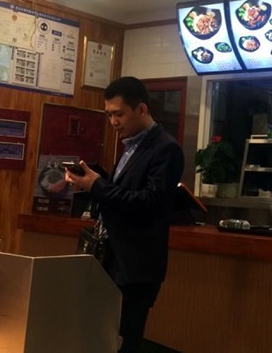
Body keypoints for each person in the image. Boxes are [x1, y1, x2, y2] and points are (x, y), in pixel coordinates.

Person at [65, 76, 184, 353]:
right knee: (99, 337)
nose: (113, 122)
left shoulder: (166, 148)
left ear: (141, 109)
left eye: (118, 114)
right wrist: (92, 182)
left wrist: (97, 186)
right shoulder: (131, 144)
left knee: (124, 341)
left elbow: (149, 202)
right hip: (109, 257)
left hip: (134, 265)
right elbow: (123, 193)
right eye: (109, 115)